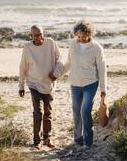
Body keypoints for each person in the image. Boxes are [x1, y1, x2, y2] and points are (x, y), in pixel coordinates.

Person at [53, 20, 107, 148]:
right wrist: (57, 74)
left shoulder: (96, 48)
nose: (81, 39)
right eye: (79, 36)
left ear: (89, 34)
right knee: (76, 111)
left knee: (85, 111)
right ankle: (78, 139)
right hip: (75, 84)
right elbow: (69, 63)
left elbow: (102, 68)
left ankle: (88, 141)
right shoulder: (73, 44)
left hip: (91, 84)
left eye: (84, 36)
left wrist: (103, 89)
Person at [19, 25, 63, 150]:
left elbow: (60, 60)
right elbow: (23, 67)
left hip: (48, 84)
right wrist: (21, 86)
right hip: (33, 84)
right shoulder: (28, 48)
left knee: (48, 112)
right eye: (36, 35)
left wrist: (56, 73)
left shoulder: (51, 43)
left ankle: (47, 139)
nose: (39, 37)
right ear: (31, 36)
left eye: (41, 34)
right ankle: (36, 141)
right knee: (38, 112)